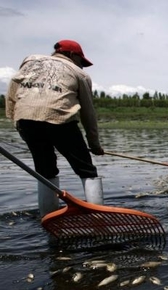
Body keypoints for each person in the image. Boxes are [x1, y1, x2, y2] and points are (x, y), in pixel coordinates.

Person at [5, 39, 105, 217]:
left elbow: (12, 94)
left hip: (26, 118)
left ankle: (46, 216)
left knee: (45, 170)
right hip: (59, 118)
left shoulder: (30, 62)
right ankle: (100, 217)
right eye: (81, 61)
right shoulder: (79, 74)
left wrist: (18, 123)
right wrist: (94, 144)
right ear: (73, 55)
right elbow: (88, 113)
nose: (81, 66)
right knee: (86, 169)